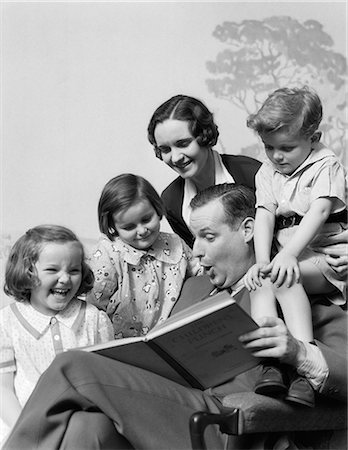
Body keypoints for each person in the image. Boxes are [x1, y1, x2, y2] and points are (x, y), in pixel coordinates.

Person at [4, 185, 346, 450]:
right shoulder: (193, 288)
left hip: (225, 426)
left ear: (247, 231)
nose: (196, 250)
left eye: (208, 237)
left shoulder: (295, 287)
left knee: (72, 366)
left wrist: (299, 352)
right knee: (86, 428)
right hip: (164, 411)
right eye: (194, 238)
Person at [243, 87, 347, 407]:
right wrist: (262, 260)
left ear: (313, 137)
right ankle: (271, 363)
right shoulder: (267, 172)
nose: (277, 156)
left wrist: (287, 254)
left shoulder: (325, 164)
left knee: (287, 279)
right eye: (269, 147)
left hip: (323, 257)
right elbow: (264, 214)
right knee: (263, 280)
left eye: (286, 148)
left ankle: (303, 363)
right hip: (287, 257)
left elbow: (319, 211)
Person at [0, 225, 114, 445]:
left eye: (74, 270)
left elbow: (107, 379)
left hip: (82, 421)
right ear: (27, 272)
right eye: (52, 270)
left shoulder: (94, 319)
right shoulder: (7, 322)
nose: (65, 279)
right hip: (24, 421)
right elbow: (2, 388)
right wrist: (24, 430)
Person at [86, 173, 201, 338]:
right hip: (122, 345)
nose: (141, 231)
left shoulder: (175, 244)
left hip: (173, 337)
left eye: (147, 219)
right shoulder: (107, 254)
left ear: (157, 208)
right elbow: (93, 307)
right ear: (113, 226)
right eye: (129, 227)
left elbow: (201, 276)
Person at [147, 94, 262, 247]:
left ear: (205, 135)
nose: (175, 158)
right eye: (165, 149)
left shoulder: (253, 173)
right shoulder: (171, 200)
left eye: (183, 144)